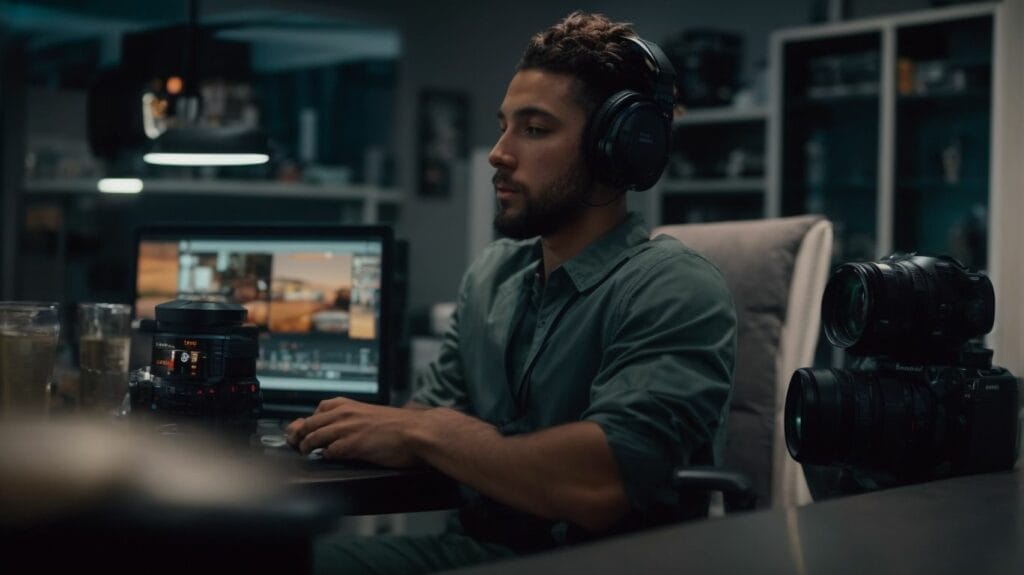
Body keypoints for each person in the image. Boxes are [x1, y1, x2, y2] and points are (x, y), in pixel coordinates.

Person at [286, 11, 736, 574]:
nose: (499, 152)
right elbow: (420, 424)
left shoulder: (673, 286)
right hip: (473, 552)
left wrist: (432, 431)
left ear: (617, 148)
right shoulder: (492, 276)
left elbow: (602, 483)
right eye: (504, 125)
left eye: (535, 129)